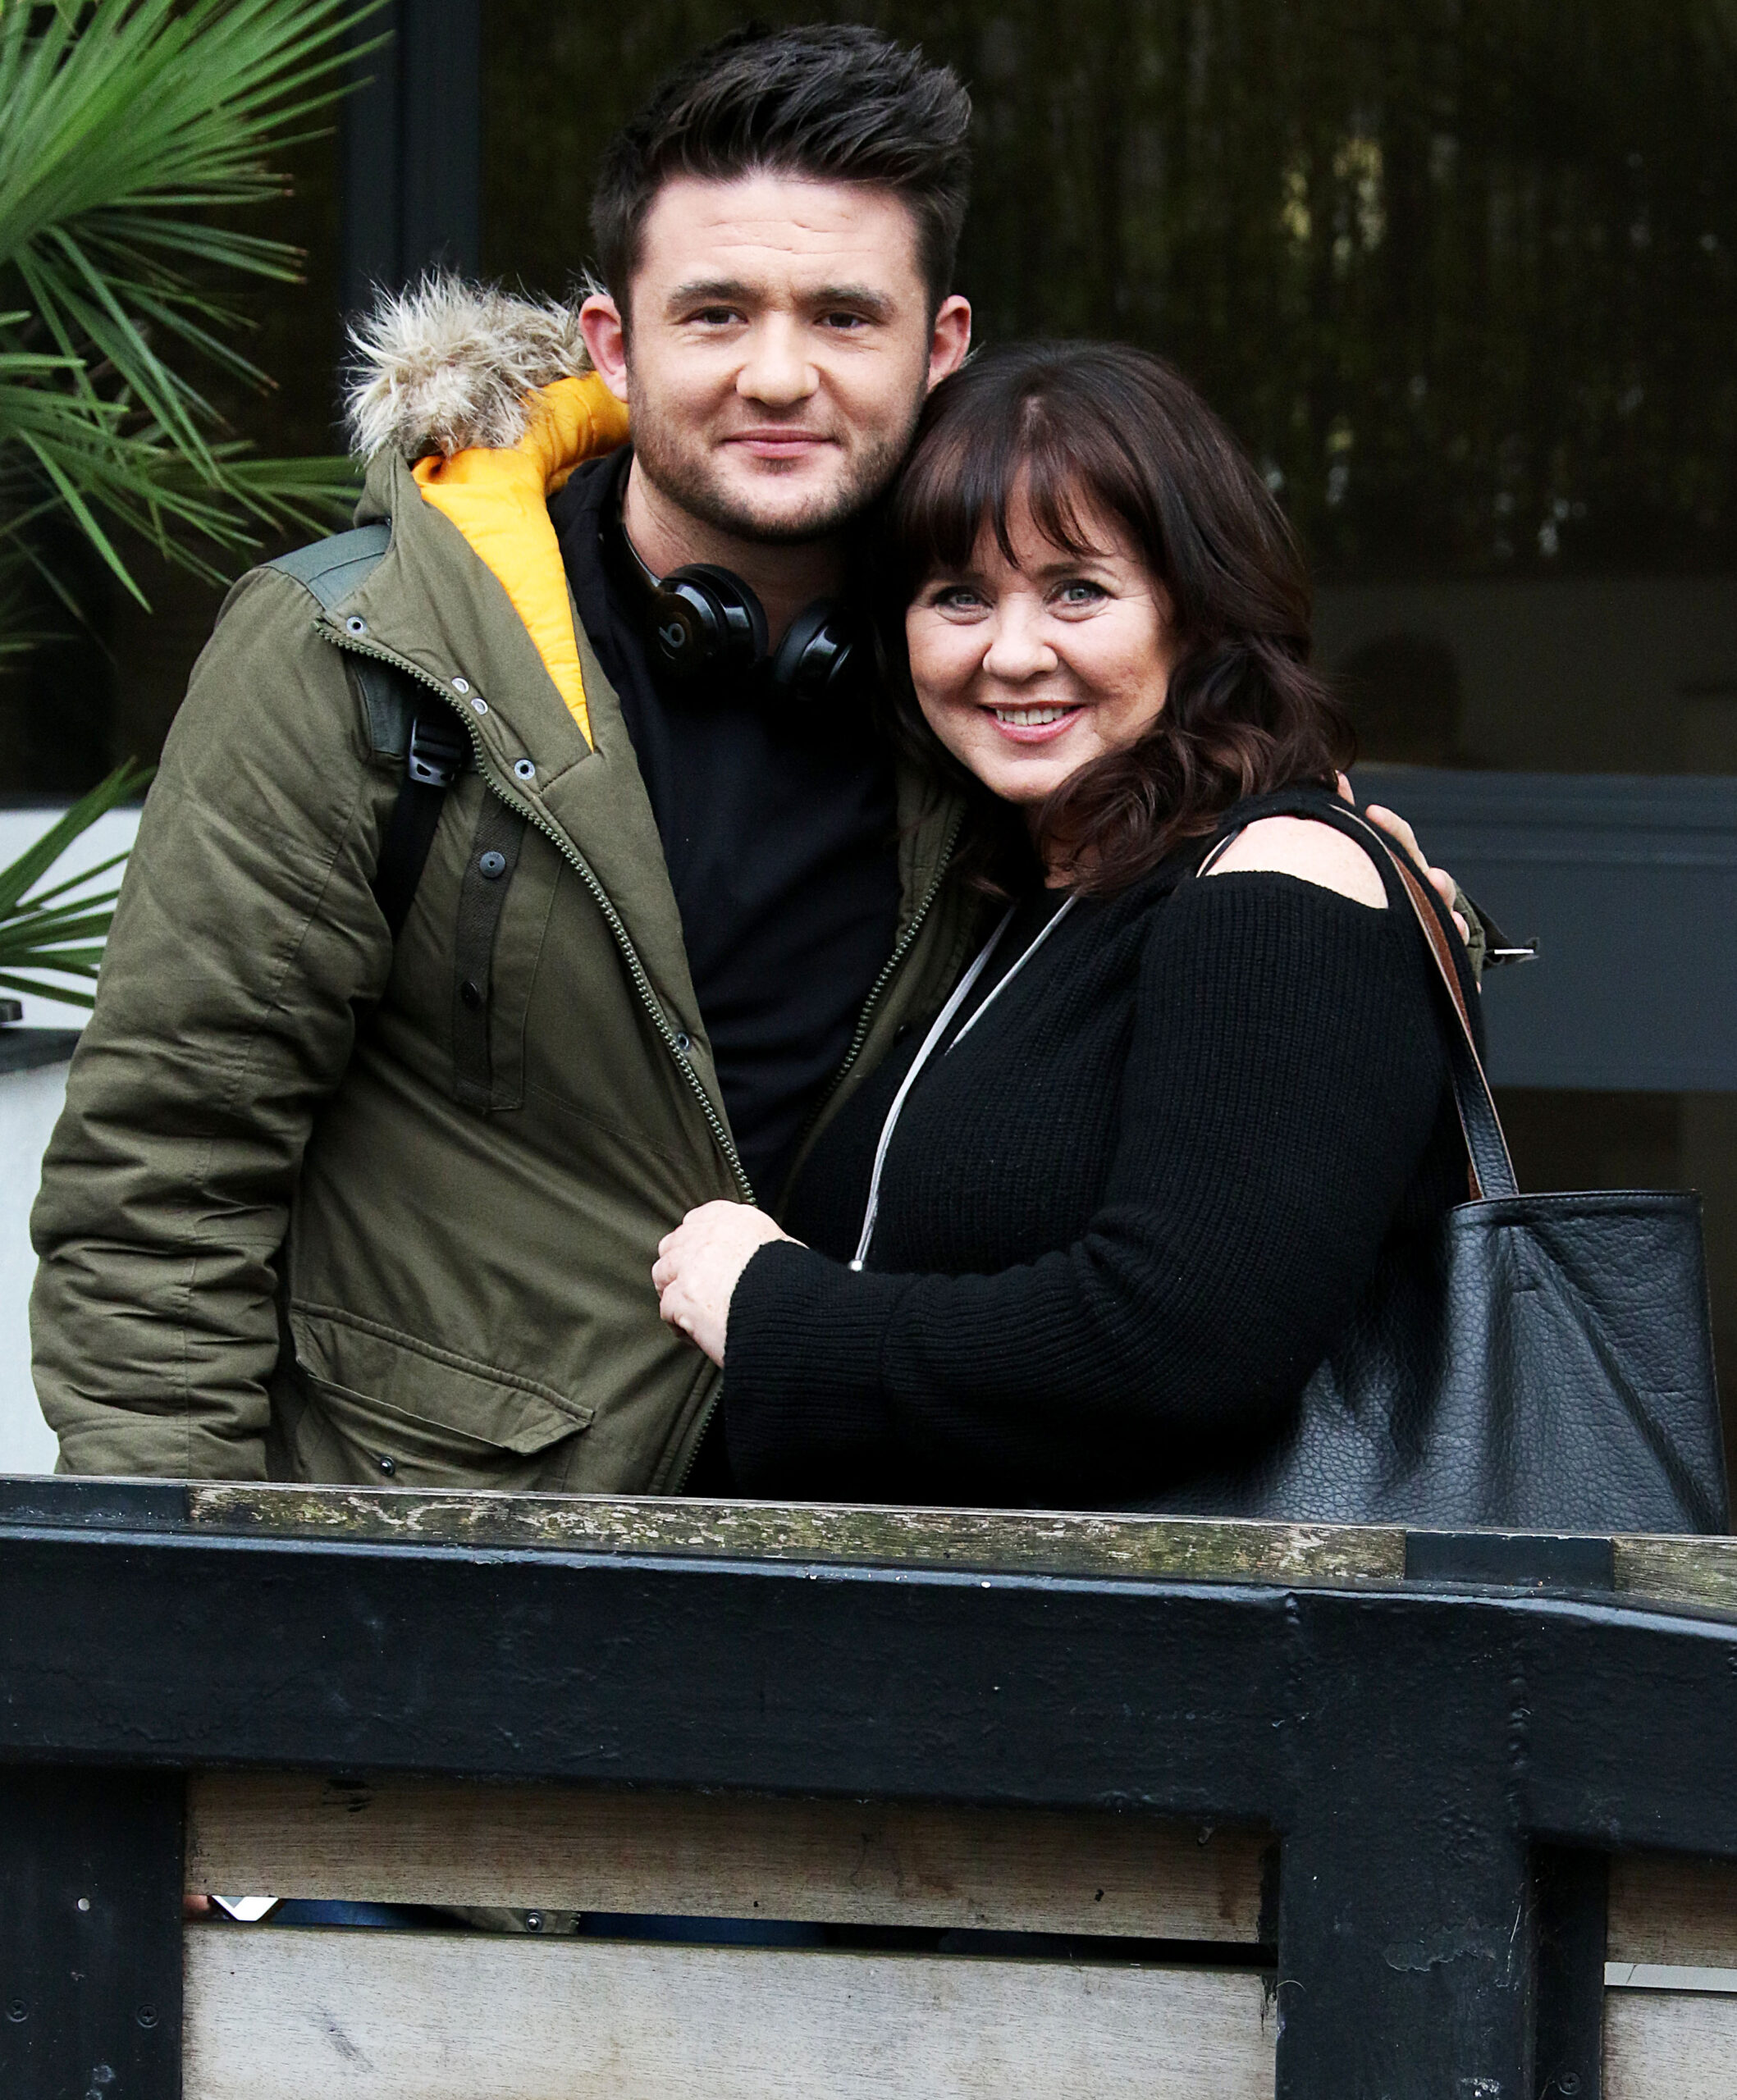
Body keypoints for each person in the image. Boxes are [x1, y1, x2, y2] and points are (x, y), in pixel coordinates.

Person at [31, 25, 1470, 1491]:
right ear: (612, 341)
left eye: (844, 317)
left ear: (942, 344)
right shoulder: (358, 655)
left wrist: (1328, 879)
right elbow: (166, 1183)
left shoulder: (977, 703)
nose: (778, 375)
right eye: (714, 314)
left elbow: (1202, 1006)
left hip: (834, 1596)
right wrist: (191, 1609)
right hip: (437, 1578)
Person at [651, 341, 1472, 1509]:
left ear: (1196, 609)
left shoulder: (1278, 879)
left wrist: (777, 1311)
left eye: (1077, 589)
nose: (1013, 652)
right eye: (958, 597)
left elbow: (1173, 1345)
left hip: (1170, 1665)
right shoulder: (1019, 901)